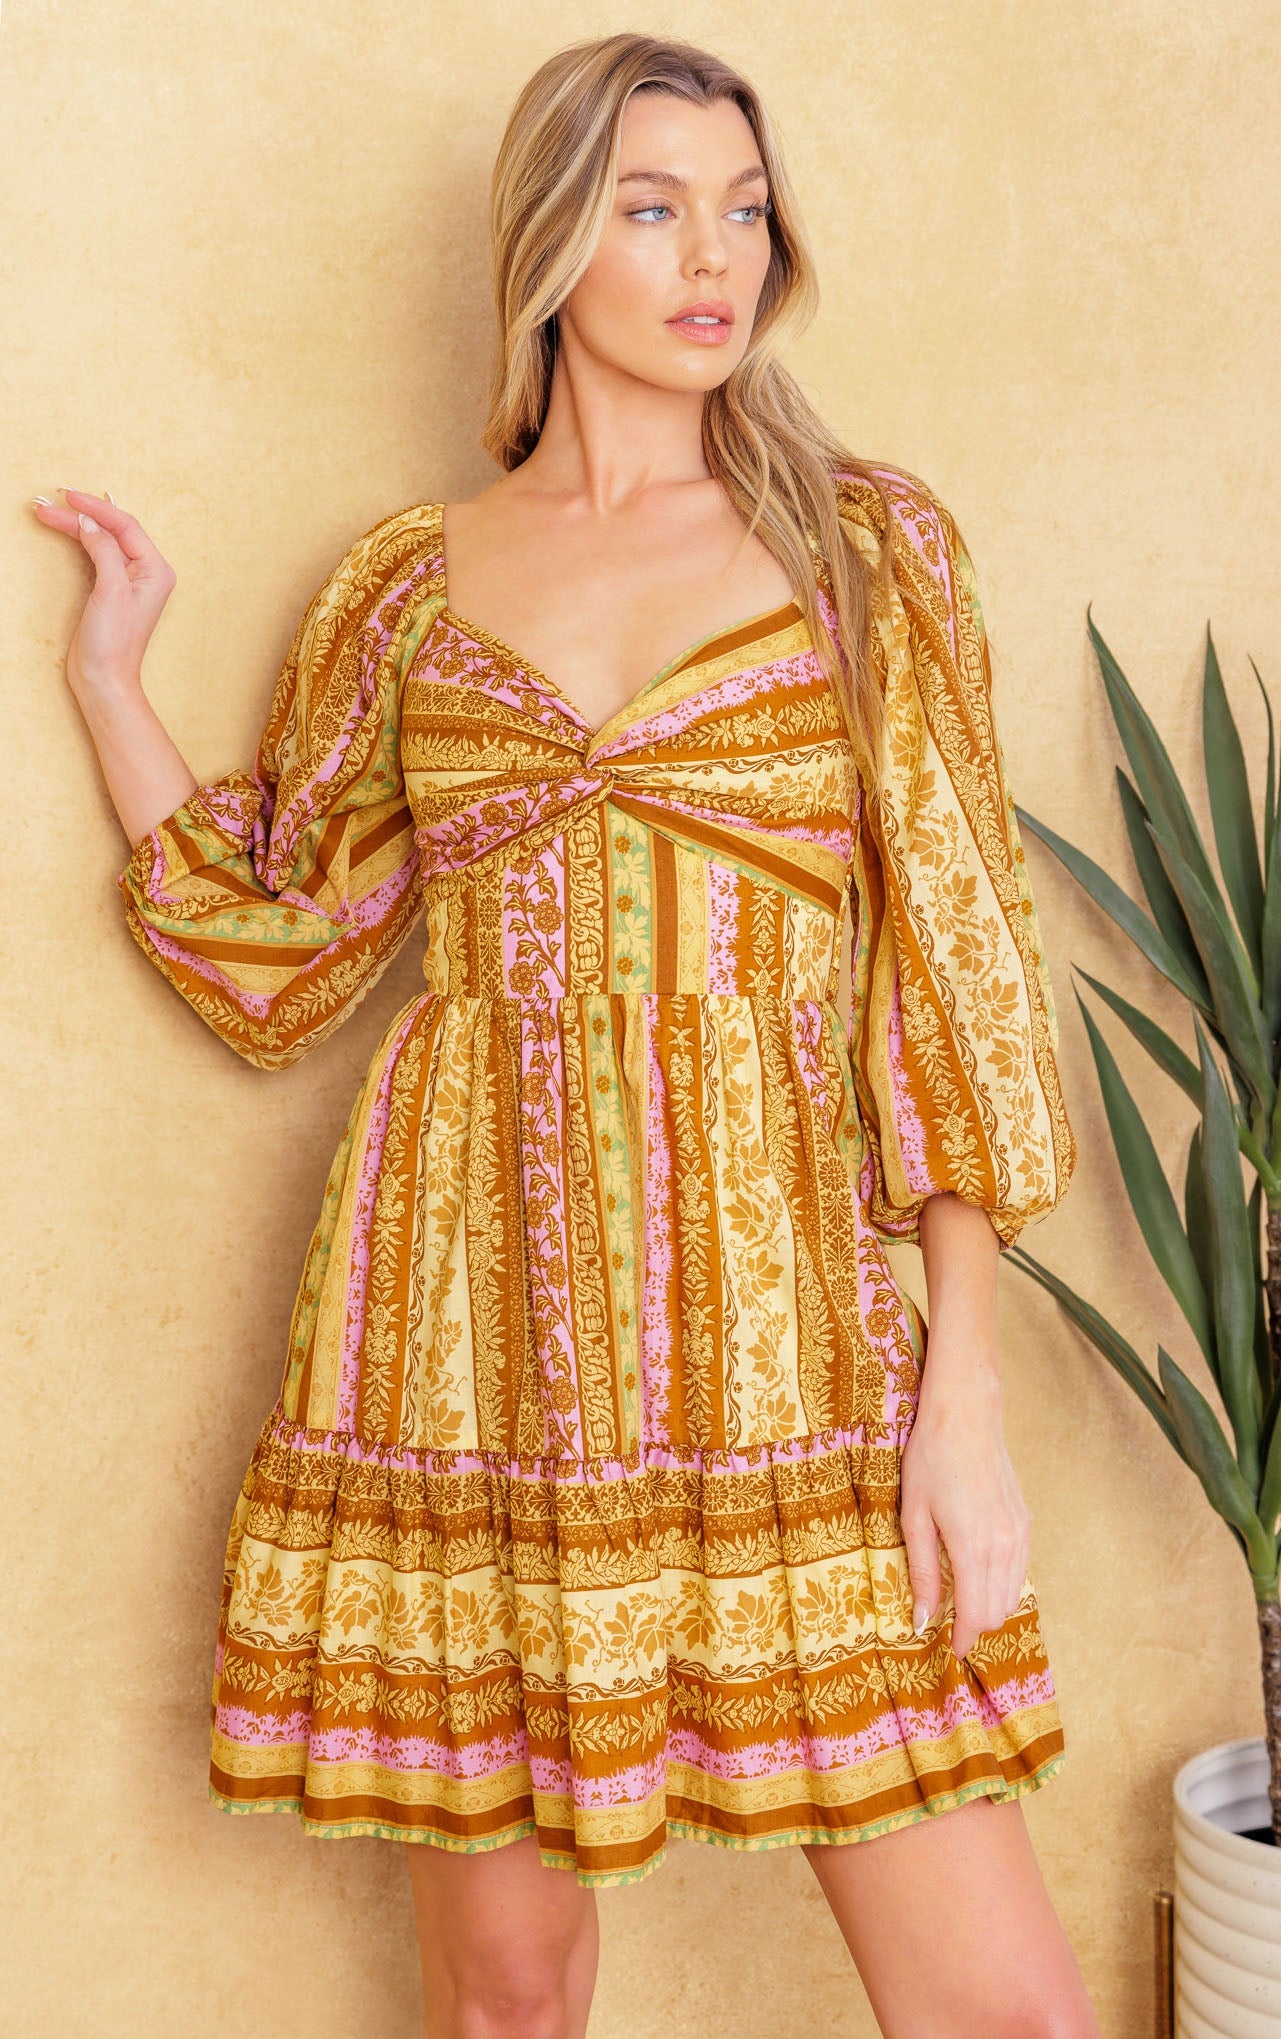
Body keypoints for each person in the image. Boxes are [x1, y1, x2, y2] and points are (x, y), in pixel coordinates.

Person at [35, 30, 1097, 2039]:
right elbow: (283, 956)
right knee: (507, 2005)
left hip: (789, 1345)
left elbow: (954, 980)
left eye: (744, 209)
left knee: (1001, 2017)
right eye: (651, 206)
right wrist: (110, 680)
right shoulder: (404, 585)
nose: (712, 256)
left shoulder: (866, 552)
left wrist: (957, 1401)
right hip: (469, 1342)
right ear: (545, 246)